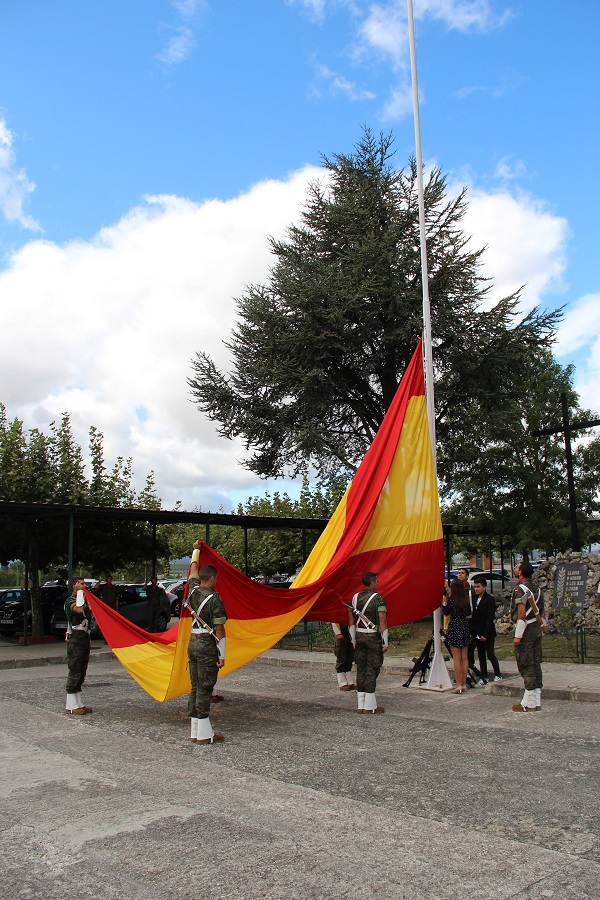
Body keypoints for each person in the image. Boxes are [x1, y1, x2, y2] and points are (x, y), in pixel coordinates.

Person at [187, 541, 227, 744]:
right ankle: (204, 734)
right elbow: (220, 630)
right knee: (205, 686)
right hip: (206, 645)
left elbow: (193, 568)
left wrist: (196, 550)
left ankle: (195, 730)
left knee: (195, 686)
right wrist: (222, 655)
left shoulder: (192, 590)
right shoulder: (214, 599)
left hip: (192, 642)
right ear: (212, 579)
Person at [349, 572, 388, 713]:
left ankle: (361, 704)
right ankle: (370, 706)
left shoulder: (354, 598)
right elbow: (382, 621)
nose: (378, 583)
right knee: (372, 668)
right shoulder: (378, 599)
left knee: (361, 668)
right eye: (376, 581)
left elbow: (351, 621)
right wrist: (385, 642)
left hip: (359, 637)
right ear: (371, 582)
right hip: (373, 637)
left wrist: (353, 639)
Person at [511, 561, 544, 712]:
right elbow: (542, 611)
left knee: (526, 663)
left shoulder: (520, 589)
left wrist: (518, 636)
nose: (515, 569)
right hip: (536, 629)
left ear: (521, 572)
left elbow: (521, 613)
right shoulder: (537, 589)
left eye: (517, 567)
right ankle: (535, 700)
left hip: (526, 631)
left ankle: (528, 704)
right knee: (536, 663)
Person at [64, 575, 93, 715]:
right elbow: (78, 610)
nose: (84, 586)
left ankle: (78, 703)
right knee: (74, 670)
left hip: (84, 638)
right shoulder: (71, 600)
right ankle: (70, 705)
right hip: (75, 639)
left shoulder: (84, 600)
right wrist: (80, 594)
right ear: (74, 585)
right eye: (81, 584)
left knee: (82, 671)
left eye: (84, 584)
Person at [442, 578, 471, 693]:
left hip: (454, 626)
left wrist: (444, 603)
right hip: (464, 626)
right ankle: (463, 683)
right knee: (464, 657)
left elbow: (446, 612)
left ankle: (458, 684)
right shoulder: (465, 600)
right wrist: (447, 588)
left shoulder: (451, 601)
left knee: (457, 658)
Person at [471, 575, 502, 683]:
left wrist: (485, 633)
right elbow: (474, 616)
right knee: (481, 655)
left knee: (490, 654)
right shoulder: (475, 599)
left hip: (487, 632)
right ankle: (484, 676)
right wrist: (472, 631)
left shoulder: (489, 599)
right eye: (475, 587)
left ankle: (498, 674)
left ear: (484, 587)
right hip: (477, 631)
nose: (476, 589)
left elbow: (490, 617)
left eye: (478, 587)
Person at [331, 623, 356, 691]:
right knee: (341, 657)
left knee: (350, 657)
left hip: (350, 631)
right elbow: (334, 620)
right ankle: (342, 682)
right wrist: (338, 632)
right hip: (342, 631)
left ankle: (350, 681)